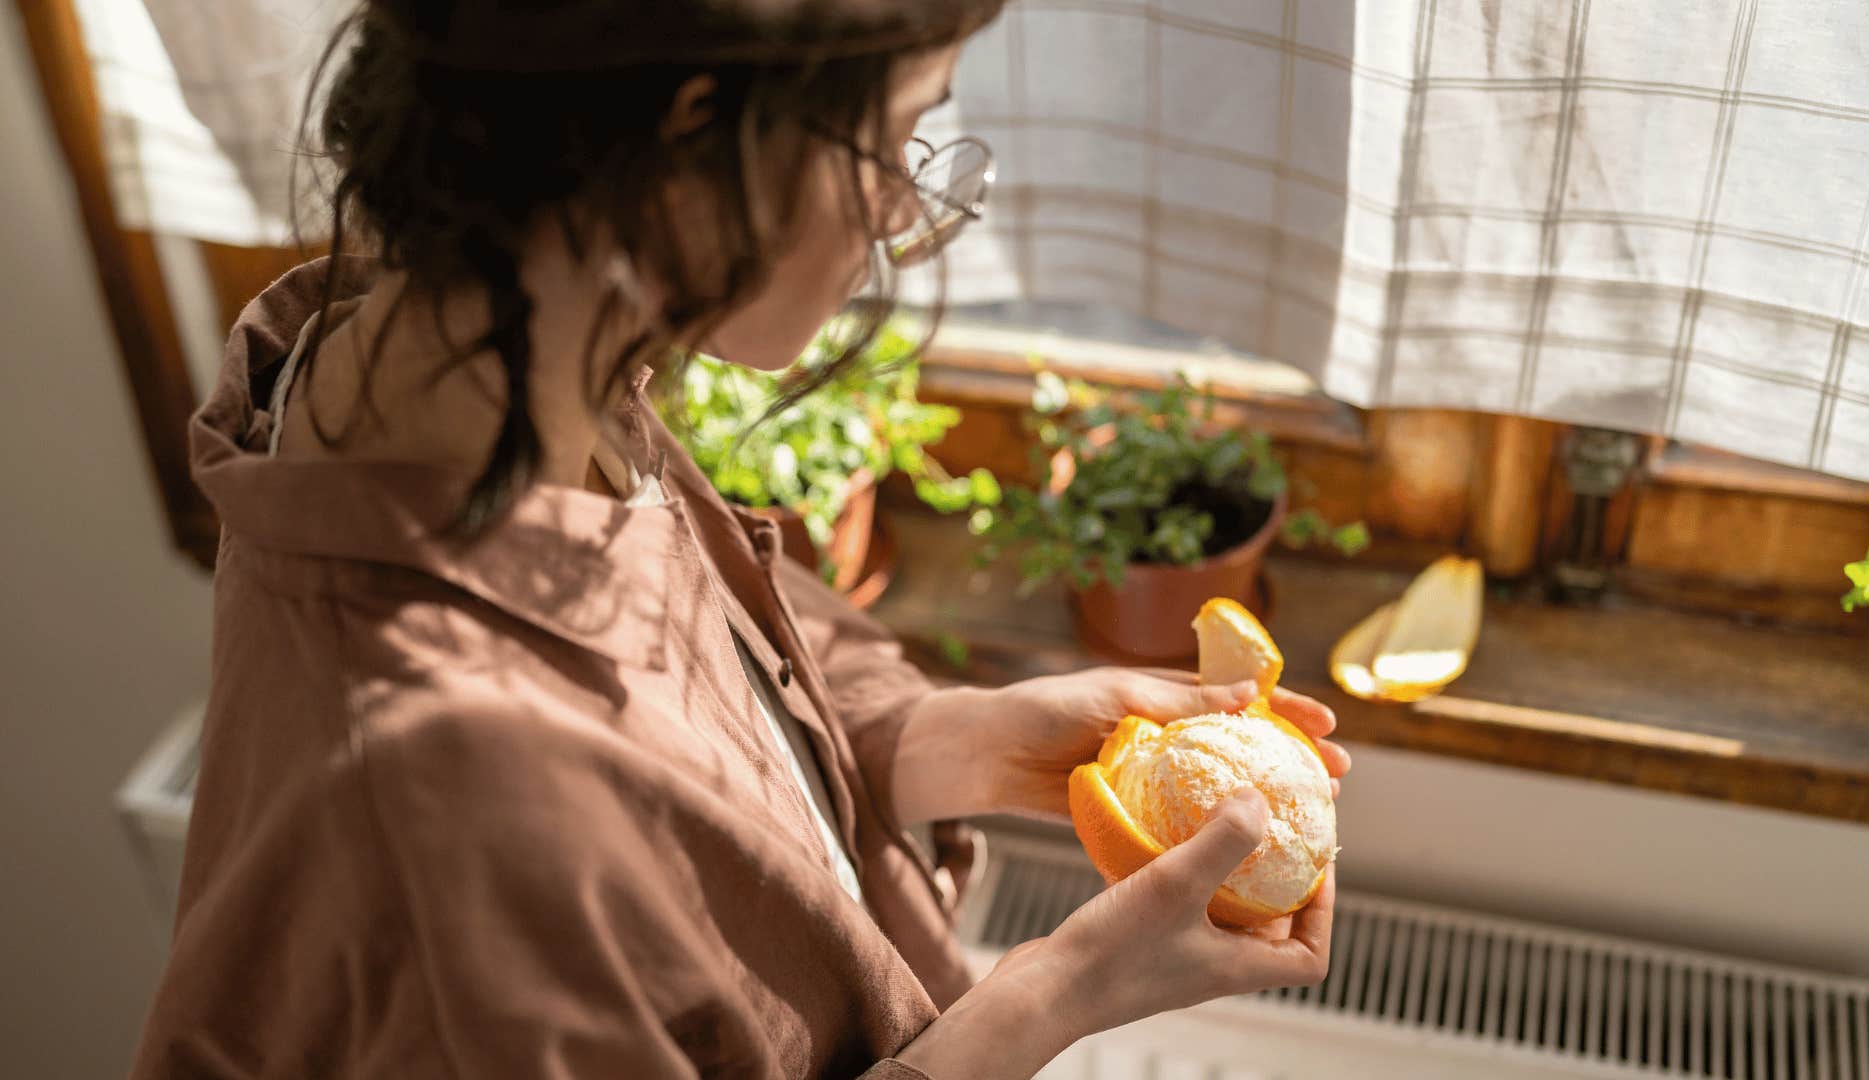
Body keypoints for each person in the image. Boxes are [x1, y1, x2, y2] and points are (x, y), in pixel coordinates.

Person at [130, 1, 1351, 1076]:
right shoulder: (454, 813)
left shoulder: (467, 370)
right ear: (687, 143)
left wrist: (947, 745)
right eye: (892, 144)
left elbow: (699, 727)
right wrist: (1061, 994)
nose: (902, 209)